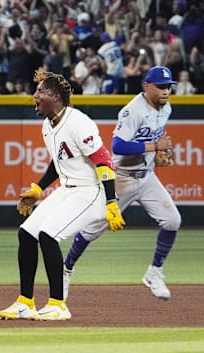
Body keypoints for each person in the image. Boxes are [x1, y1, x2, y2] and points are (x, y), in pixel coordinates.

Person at [0, 70, 125, 321]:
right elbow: (58, 161)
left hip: (90, 192)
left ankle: (58, 304)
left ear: (55, 96)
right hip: (67, 190)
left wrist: (111, 202)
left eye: (40, 91)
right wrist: (38, 189)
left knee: (48, 235)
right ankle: (25, 302)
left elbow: (104, 162)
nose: (35, 95)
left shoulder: (78, 122)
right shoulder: (48, 125)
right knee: (27, 233)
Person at [63, 66, 181, 301]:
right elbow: (118, 146)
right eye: (160, 87)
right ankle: (65, 270)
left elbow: (155, 138)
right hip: (122, 178)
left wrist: (158, 152)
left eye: (169, 86)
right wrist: (153, 147)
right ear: (147, 86)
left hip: (147, 176)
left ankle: (154, 272)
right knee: (93, 229)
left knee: (172, 220)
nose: (166, 91)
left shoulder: (165, 108)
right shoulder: (133, 111)